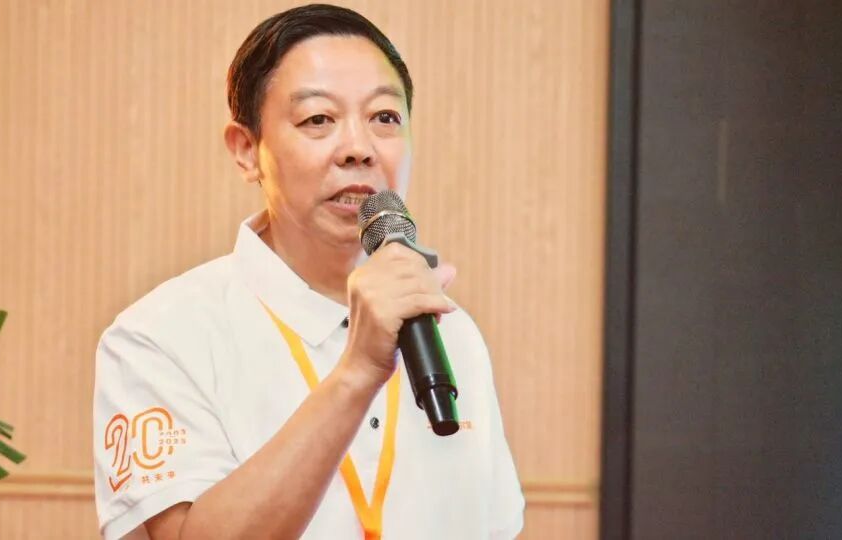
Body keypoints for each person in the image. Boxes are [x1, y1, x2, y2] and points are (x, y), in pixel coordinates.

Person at [92, 4, 524, 539]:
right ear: (247, 151)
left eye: (385, 118)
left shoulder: (450, 332)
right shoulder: (159, 335)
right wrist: (357, 372)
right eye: (318, 119)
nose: (359, 148)